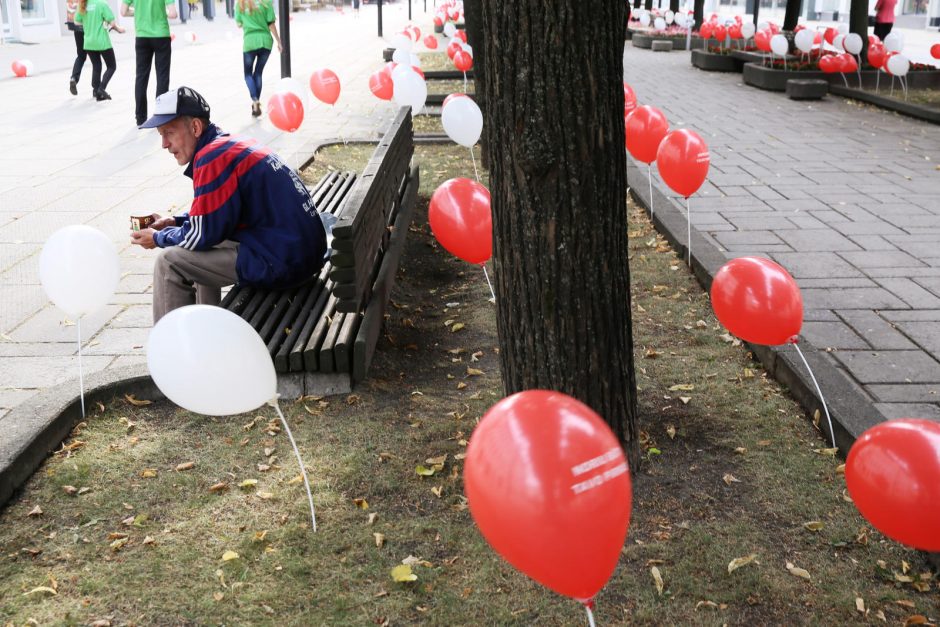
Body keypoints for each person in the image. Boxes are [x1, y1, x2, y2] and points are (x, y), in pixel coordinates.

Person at [130, 87, 328, 324]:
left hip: (285, 262)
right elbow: (215, 217)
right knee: (198, 244)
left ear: (195, 127)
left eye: (169, 133)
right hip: (301, 253)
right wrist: (175, 221)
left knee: (169, 262)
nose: (164, 144)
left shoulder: (211, 157)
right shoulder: (228, 144)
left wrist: (158, 238)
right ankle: (210, 328)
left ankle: (171, 351)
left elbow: (201, 234)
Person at [120, 0, 177, 126]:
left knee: (141, 77)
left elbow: (123, 12)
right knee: (162, 77)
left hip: (142, 36)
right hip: (161, 35)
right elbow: (173, 14)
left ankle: (140, 118)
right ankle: (160, 115)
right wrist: (161, 13)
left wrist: (139, 13)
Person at [235, 0, 282, 117]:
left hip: (250, 42)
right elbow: (271, 24)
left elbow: (239, 24)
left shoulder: (240, 3)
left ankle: (255, 100)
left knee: (248, 74)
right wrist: (279, 41)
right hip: (266, 41)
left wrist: (249, 21)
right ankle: (256, 102)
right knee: (258, 73)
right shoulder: (266, 2)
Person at [76, 0, 125, 101]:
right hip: (102, 42)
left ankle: (96, 92)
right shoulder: (102, 4)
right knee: (111, 66)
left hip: (89, 42)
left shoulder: (82, 4)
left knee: (96, 65)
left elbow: (77, 21)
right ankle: (101, 88)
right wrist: (118, 29)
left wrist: (88, 22)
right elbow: (112, 22)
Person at [65, 0, 87, 95]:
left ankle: (74, 78)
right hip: (88, 26)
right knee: (96, 59)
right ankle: (96, 89)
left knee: (81, 56)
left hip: (76, 26)